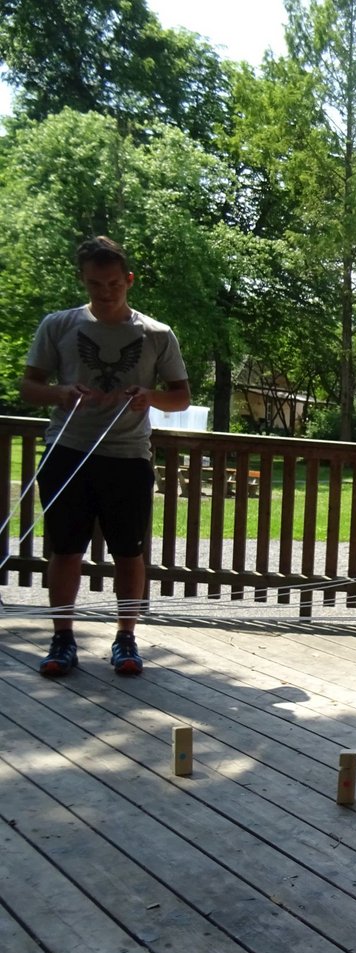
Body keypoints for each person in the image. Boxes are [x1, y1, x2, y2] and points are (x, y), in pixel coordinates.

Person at [21, 235, 191, 678]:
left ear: (128, 280)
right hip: (67, 451)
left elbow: (180, 397)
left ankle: (126, 638)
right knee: (66, 550)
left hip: (127, 457)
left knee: (129, 553)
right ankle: (62, 639)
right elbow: (29, 386)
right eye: (95, 284)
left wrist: (149, 396)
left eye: (114, 283)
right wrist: (60, 393)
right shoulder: (58, 325)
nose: (105, 292)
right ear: (83, 280)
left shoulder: (156, 334)